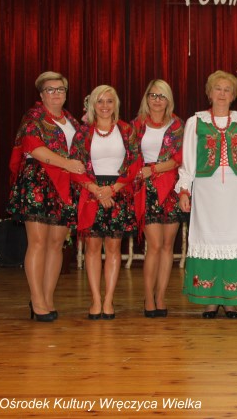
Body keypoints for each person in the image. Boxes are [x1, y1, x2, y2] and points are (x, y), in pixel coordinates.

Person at [176, 70, 237, 318]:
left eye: (227, 90)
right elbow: (188, 159)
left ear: (233, 95)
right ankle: (210, 299)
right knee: (208, 238)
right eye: (218, 89)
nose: (222, 94)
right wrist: (184, 189)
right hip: (207, 189)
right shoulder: (195, 122)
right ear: (209, 93)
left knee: (235, 238)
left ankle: (231, 298)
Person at [8, 71, 85, 322]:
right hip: (39, 182)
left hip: (64, 185)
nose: (56, 94)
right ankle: (37, 299)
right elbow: (35, 148)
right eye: (50, 90)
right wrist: (67, 163)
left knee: (56, 243)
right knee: (38, 242)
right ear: (41, 95)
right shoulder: (34, 117)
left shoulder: (72, 120)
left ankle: (47, 298)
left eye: (60, 89)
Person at [70, 85, 140, 319]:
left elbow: (135, 163)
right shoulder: (82, 132)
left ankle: (108, 300)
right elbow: (75, 166)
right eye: (100, 101)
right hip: (91, 192)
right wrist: (97, 191)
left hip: (118, 191)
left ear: (115, 104)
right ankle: (95, 300)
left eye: (109, 101)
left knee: (113, 248)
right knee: (92, 248)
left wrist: (112, 189)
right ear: (92, 105)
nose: (104, 106)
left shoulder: (126, 130)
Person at [132, 79, 185, 318]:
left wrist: (154, 169)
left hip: (171, 188)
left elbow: (180, 158)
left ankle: (161, 296)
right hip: (146, 189)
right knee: (153, 245)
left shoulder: (178, 126)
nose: (157, 100)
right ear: (146, 98)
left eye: (161, 96)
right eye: (153, 95)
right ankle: (148, 297)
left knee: (167, 246)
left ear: (168, 100)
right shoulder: (136, 125)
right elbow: (129, 156)